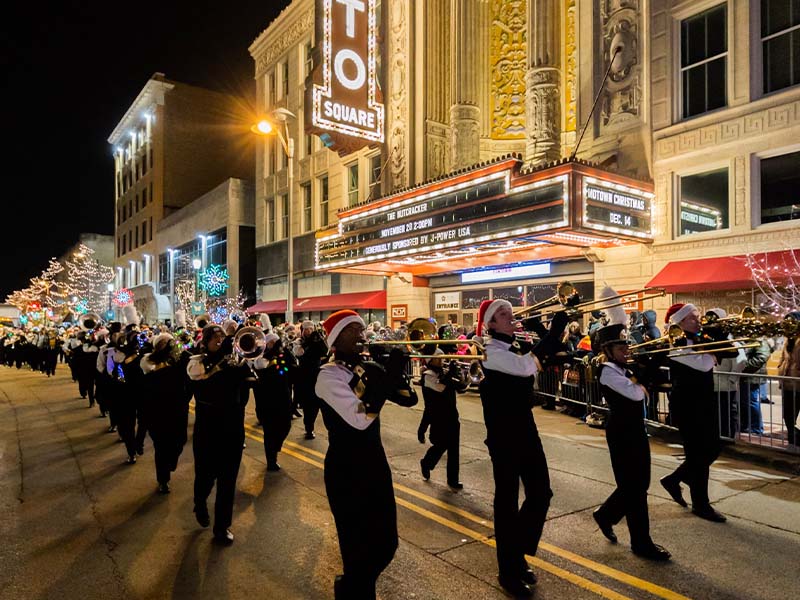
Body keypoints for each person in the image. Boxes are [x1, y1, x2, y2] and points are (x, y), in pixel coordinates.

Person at [315, 310, 418, 600]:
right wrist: (384, 380)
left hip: (374, 464)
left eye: (362, 330)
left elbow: (409, 399)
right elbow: (361, 418)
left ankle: (350, 587)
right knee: (358, 551)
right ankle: (355, 590)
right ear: (338, 339)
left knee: (387, 544)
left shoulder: (364, 367)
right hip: (346, 471)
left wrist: (395, 372)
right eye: (355, 331)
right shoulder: (327, 376)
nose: (363, 336)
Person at [477, 298, 552, 598]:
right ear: (491, 324)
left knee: (541, 493)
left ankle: (515, 553)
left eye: (510, 313)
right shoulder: (490, 351)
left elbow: (529, 371)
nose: (511, 317)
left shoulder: (514, 346)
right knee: (506, 502)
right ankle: (509, 569)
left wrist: (544, 333)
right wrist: (555, 329)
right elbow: (524, 369)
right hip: (504, 436)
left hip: (526, 431)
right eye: (503, 314)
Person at [591, 322, 671, 561]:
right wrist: (643, 375)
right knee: (634, 488)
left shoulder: (624, 369)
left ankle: (606, 515)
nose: (627, 350)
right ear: (607, 349)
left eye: (627, 344)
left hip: (634, 429)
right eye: (620, 346)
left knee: (638, 484)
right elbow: (635, 393)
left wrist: (655, 362)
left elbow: (653, 385)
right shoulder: (607, 370)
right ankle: (641, 543)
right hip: (622, 432)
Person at [659, 303, 735, 523]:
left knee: (712, 448)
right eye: (693, 317)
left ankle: (675, 479)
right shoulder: (675, 342)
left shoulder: (701, 338)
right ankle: (701, 504)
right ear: (680, 322)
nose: (698, 320)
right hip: (687, 405)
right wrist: (711, 355)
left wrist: (718, 335)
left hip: (705, 402)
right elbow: (703, 365)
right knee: (697, 454)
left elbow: (730, 351)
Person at [187, 324, 251, 545]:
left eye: (223, 336)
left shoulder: (236, 361)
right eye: (215, 337)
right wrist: (222, 359)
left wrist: (242, 359)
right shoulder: (197, 362)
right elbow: (201, 380)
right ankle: (199, 501)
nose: (220, 340)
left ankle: (222, 527)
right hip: (208, 426)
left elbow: (252, 381)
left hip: (233, 426)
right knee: (206, 475)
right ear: (205, 341)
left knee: (228, 479)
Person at [140, 333, 192, 494]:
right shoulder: (149, 361)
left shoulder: (178, 359)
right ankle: (163, 480)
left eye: (168, 342)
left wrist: (181, 344)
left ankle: (171, 462)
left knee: (179, 441)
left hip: (178, 408)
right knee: (161, 446)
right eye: (162, 343)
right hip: (157, 410)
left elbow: (190, 360)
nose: (165, 345)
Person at [419, 349, 468, 490]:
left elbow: (461, 388)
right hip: (438, 418)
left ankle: (453, 480)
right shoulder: (427, 376)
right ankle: (426, 463)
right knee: (440, 445)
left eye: (442, 357)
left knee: (454, 451)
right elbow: (439, 387)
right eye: (438, 358)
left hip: (452, 416)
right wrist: (451, 373)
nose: (441, 360)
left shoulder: (444, 373)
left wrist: (461, 375)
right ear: (430, 361)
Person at [251, 332, 296, 471]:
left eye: (277, 342)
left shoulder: (283, 355)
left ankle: (275, 448)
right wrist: (268, 354)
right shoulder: (260, 357)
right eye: (273, 342)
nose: (275, 344)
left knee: (286, 425)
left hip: (283, 396)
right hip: (268, 398)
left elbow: (292, 365)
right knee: (270, 431)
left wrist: (284, 348)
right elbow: (260, 368)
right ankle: (271, 459)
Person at [295, 320, 328, 439]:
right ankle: (309, 428)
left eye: (311, 329)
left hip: (317, 375)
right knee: (308, 405)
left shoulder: (317, 339)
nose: (309, 331)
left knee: (316, 404)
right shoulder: (299, 342)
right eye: (306, 329)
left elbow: (325, 352)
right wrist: (308, 343)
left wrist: (318, 339)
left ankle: (311, 426)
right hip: (304, 377)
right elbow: (299, 353)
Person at [778, 312, 800, 446]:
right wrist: (780, 368)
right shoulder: (788, 340)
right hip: (787, 383)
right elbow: (783, 358)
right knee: (788, 415)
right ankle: (793, 437)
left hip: (798, 383)